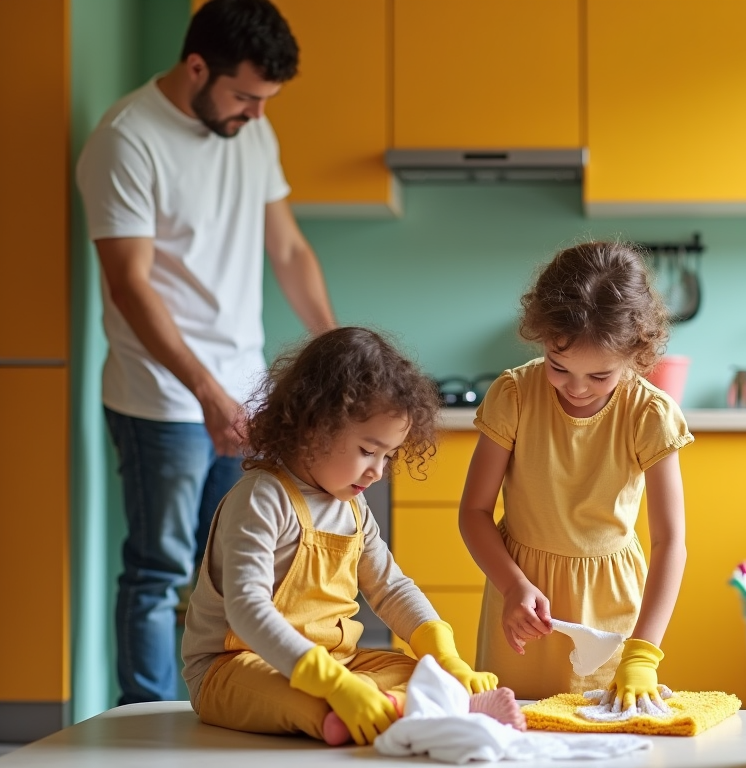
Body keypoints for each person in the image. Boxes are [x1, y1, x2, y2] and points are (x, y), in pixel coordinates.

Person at [75, 0, 337, 704]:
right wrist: (207, 393)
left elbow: (286, 248)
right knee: (159, 572)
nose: (255, 113)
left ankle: (218, 708)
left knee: (230, 573)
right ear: (197, 67)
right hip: (162, 398)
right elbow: (129, 284)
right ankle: (149, 724)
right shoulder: (125, 140)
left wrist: (331, 345)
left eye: (265, 99)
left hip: (240, 389)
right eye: (245, 96)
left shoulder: (252, 130)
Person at [182, 327, 498, 746]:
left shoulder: (352, 506)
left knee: (421, 673)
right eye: (368, 451)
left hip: (338, 662)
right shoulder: (262, 498)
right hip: (235, 667)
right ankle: (406, 711)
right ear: (315, 426)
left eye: (388, 455)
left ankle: (404, 705)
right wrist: (332, 684)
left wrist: (443, 654)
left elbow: (391, 587)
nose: (378, 471)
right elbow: (247, 610)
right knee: (309, 700)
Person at [459, 241, 693, 704]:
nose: (577, 387)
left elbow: (671, 542)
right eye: (558, 366)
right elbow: (474, 511)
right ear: (543, 339)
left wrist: (644, 654)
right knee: (516, 729)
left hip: (610, 614)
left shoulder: (650, 415)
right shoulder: (515, 396)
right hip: (521, 603)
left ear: (636, 356)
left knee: (603, 732)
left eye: (601, 375)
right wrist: (513, 586)